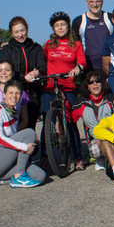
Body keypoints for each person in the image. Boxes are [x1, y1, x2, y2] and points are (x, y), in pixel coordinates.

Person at [0, 80, 46, 188]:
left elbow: (12, 139)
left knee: (40, 176)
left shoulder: (13, 115)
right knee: (29, 132)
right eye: (10, 92)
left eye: (17, 93)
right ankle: (19, 176)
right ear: (4, 95)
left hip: (4, 162)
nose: (14, 96)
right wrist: (24, 147)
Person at [43, 11, 85, 169]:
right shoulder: (49, 44)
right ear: (53, 28)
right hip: (50, 86)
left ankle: (78, 157)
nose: (60, 27)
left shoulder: (75, 44)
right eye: (57, 25)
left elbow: (82, 61)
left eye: (63, 24)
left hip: (68, 86)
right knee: (48, 121)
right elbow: (43, 61)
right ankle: (45, 156)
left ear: (68, 26)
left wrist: (78, 68)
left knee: (71, 122)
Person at [0, 16, 46, 130]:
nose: (20, 34)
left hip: (33, 94)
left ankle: (34, 147)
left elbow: (43, 67)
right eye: (16, 32)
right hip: (14, 95)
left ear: (27, 29)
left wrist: (35, 73)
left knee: (30, 128)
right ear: (11, 33)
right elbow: (6, 71)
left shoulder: (36, 47)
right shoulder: (7, 49)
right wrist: (23, 77)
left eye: (22, 30)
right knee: (14, 128)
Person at [71, 70, 114, 171]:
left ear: (102, 84)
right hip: (94, 141)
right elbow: (70, 119)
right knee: (96, 150)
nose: (95, 84)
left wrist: (104, 138)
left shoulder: (111, 100)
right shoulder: (81, 103)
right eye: (91, 82)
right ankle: (100, 160)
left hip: (112, 136)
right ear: (87, 87)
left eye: (97, 81)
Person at [0, 60, 30, 133]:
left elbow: (25, 120)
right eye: (0, 70)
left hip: (15, 133)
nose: (3, 73)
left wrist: (12, 132)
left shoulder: (22, 93)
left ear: (13, 73)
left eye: (7, 70)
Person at [71, 0, 114, 71]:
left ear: (102, 2)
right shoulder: (78, 21)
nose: (95, 5)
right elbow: (74, 46)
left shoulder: (110, 18)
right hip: (88, 68)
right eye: (91, 1)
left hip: (109, 67)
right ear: (86, 2)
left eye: (98, 1)